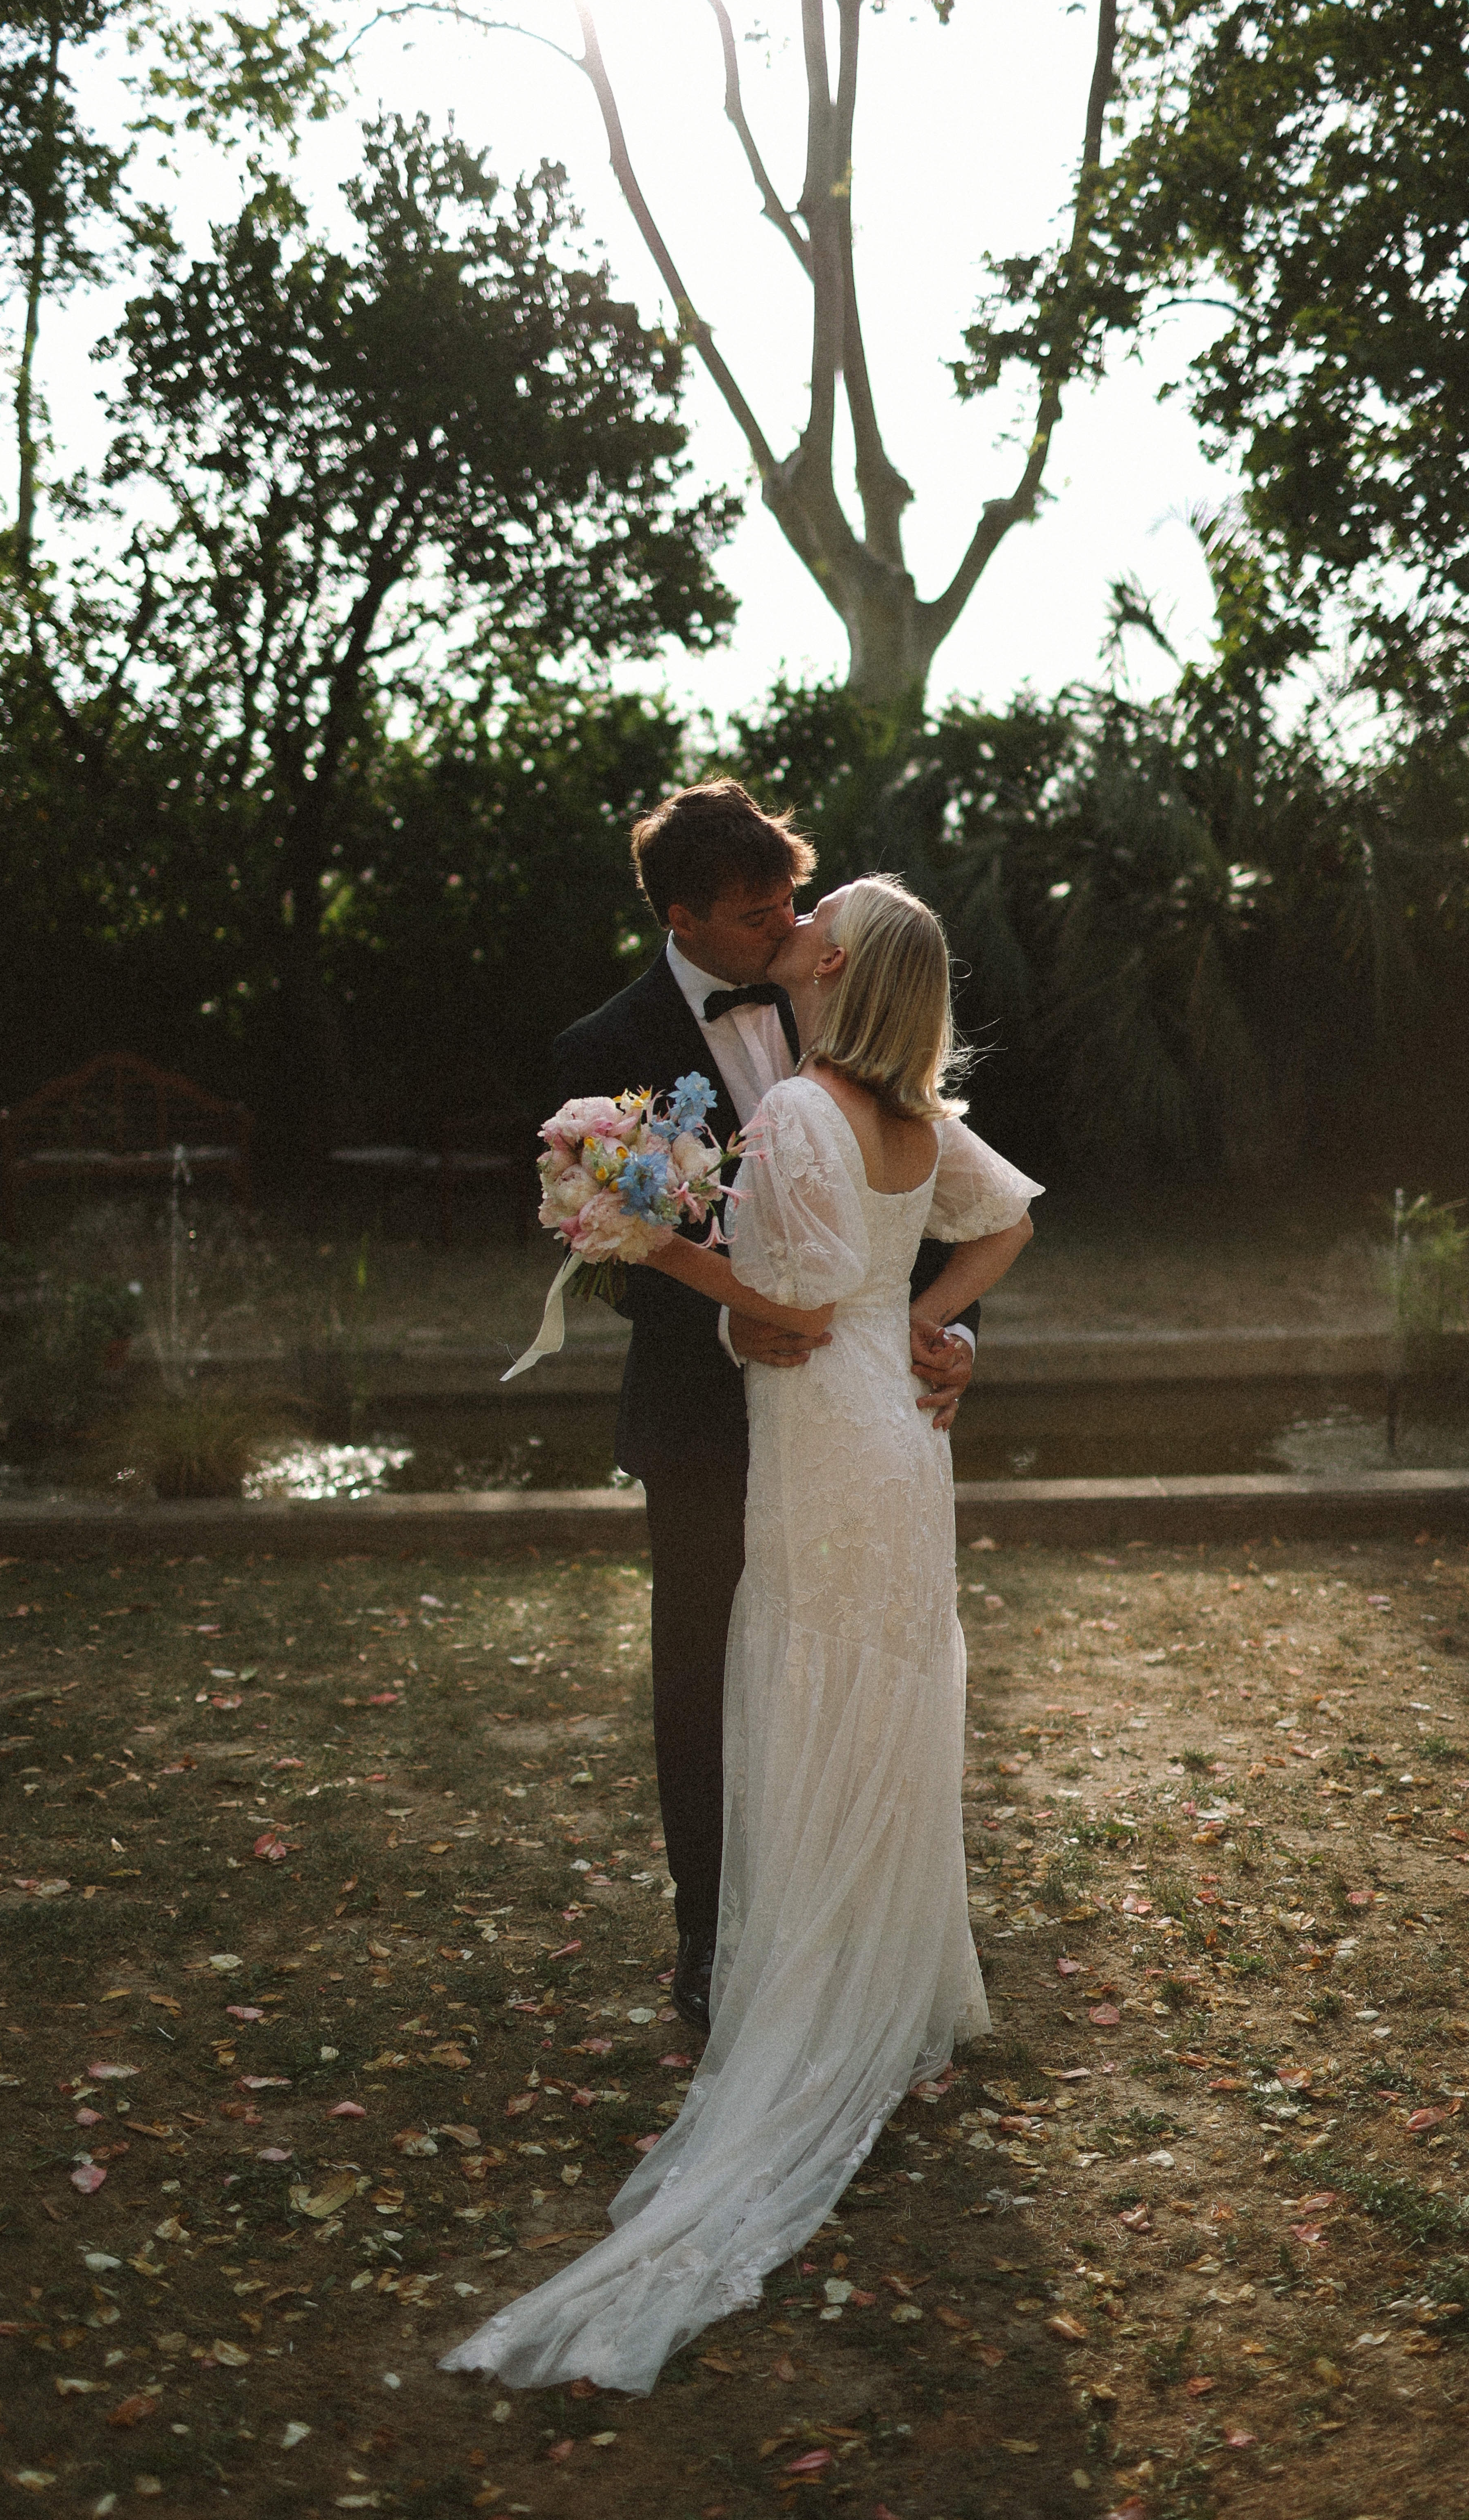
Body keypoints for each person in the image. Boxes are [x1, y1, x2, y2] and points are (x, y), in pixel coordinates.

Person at [441, 874, 1039, 2395]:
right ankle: (893, 1975)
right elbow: (1009, 1218)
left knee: (806, 1679)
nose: (794, 912)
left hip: (827, 1442)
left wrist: (649, 1242)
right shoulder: (909, 1113)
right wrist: (938, 1317)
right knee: (885, 1692)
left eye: (811, 910)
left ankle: (809, 1991)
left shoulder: (797, 1116)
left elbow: (781, 1290)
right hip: (902, 1441)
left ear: (827, 962)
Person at [547, 782, 978, 2030]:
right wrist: (725, 1312)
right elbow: (609, 1250)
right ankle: (711, 1935)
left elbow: (932, 1192)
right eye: (753, 916)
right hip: (700, 1418)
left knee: (854, 1660)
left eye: (793, 895)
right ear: (680, 919)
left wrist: (950, 1329)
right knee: (705, 1671)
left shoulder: (849, 992)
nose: (789, 927)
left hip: (853, 1416)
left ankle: (850, 1917)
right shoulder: (601, 1049)